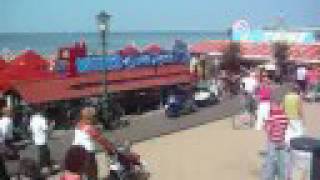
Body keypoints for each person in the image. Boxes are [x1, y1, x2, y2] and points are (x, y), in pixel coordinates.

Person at [261, 102, 289, 180]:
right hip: (281, 141)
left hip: (272, 141)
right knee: (281, 162)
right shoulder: (285, 116)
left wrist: (265, 124)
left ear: (273, 106)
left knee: (270, 161)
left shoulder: (271, 117)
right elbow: (285, 128)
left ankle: (269, 177)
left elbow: (268, 130)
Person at [29, 105, 52, 174]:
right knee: (43, 154)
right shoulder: (42, 119)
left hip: (36, 138)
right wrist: (51, 125)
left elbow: (30, 129)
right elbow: (46, 130)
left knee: (44, 152)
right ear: (42, 111)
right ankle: (42, 168)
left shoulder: (33, 118)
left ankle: (45, 166)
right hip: (42, 139)